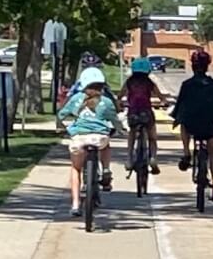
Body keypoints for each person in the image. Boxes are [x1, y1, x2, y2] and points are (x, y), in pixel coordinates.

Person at [170, 48, 213, 200]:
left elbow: (180, 107)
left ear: (193, 65)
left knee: (183, 123)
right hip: (210, 126)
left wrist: (176, 118)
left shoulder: (187, 85)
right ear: (207, 66)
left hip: (192, 124)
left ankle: (186, 153)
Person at [57, 79, 119, 216]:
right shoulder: (106, 101)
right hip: (99, 138)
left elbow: (61, 115)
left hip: (79, 138)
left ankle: (75, 205)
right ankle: (106, 169)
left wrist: (63, 127)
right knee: (106, 145)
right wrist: (121, 129)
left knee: (76, 168)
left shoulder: (76, 98)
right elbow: (114, 119)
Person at [118, 58, 170, 180]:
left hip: (133, 112)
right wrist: (164, 101)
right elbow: (160, 95)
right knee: (152, 136)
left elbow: (120, 95)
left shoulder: (129, 82)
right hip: (146, 111)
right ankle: (153, 158)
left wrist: (120, 102)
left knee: (132, 132)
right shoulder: (149, 82)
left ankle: (130, 158)